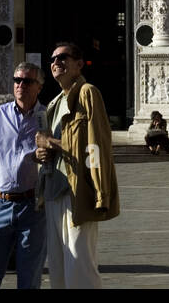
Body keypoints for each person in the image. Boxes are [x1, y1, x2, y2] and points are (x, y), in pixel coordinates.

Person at [35, 42, 119, 290]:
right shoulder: (54, 103)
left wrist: (99, 189)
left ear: (79, 64)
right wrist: (41, 152)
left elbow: (96, 143)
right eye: (52, 59)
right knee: (59, 266)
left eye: (63, 58)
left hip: (77, 188)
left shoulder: (87, 93)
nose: (56, 62)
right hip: (54, 188)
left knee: (80, 263)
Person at [0, 63, 48, 290]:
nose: (20, 85)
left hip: (33, 207)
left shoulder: (47, 117)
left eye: (27, 81)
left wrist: (49, 153)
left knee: (29, 278)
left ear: (39, 87)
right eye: (17, 80)